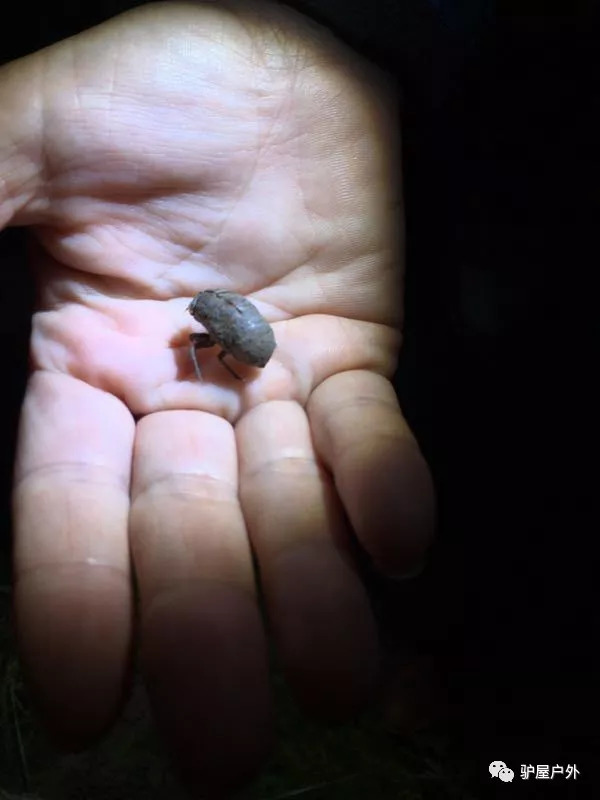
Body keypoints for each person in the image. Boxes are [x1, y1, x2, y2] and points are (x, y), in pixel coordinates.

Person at [0, 1, 434, 794]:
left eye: (199, 324)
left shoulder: (220, 325)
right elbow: (227, 318)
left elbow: (231, 329)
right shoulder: (218, 315)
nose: (193, 325)